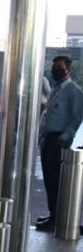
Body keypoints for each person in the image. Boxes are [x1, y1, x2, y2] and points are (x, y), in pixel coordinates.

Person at [35, 56, 83, 231]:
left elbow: (77, 117)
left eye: (59, 68)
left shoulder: (73, 91)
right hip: (48, 138)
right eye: (54, 67)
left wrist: (66, 136)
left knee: (57, 180)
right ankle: (53, 214)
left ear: (68, 70)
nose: (55, 71)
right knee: (49, 179)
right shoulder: (56, 89)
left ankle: (58, 217)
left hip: (59, 140)